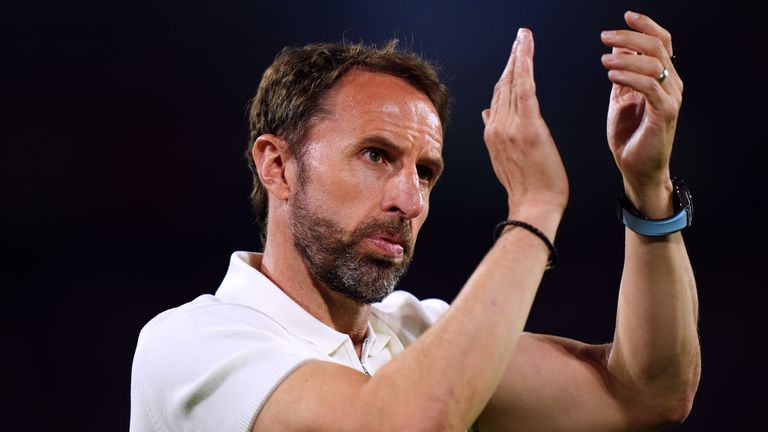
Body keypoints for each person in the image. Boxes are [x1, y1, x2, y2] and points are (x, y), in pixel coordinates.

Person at [130, 10, 700, 432]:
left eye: (426, 171)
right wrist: (534, 209)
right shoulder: (191, 342)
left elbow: (648, 393)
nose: (411, 200)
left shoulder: (412, 334)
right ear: (277, 166)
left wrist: (647, 187)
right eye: (376, 155)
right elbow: (402, 423)